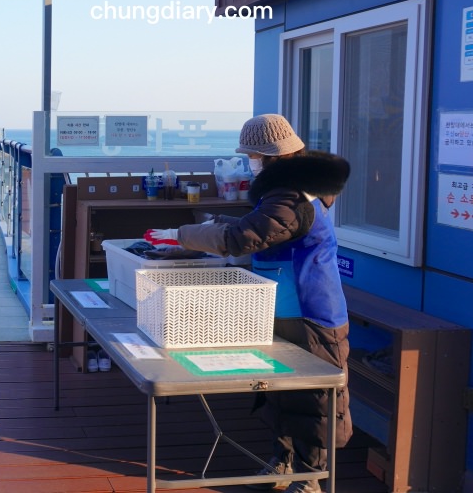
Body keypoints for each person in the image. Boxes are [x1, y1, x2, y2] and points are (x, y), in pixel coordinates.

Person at [150, 114, 352, 493]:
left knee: (313, 399)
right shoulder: (294, 187)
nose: (248, 162)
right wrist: (210, 224)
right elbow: (261, 224)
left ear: (268, 155)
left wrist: (183, 234)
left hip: (310, 310)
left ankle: (309, 477)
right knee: (276, 389)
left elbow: (246, 236)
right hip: (277, 305)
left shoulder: (292, 194)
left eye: (252, 156)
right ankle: (283, 462)